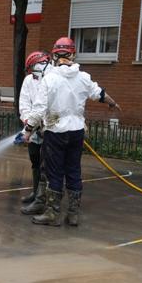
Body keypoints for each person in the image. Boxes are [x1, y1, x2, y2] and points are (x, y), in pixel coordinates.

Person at [23, 36, 120, 227]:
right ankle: (73, 214)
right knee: (74, 171)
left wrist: (27, 131)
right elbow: (99, 93)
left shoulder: (49, 79)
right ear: (73, 54)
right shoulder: (83, 78)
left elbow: (39, 110)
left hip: (56, 133)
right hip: (76, 132)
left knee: (55, 173)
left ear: (55, 56)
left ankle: (52, 214)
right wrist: (113, 103)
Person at [17, 51, 50, 215]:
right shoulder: (28, 81)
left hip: (49, 130)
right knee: (35, 162)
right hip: (32, 129)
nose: (32, 74)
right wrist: (27, 122)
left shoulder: (52, 80)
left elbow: (48, 106)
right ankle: (36, 192)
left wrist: (40, 124)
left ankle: (43, 199)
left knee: (47, 166)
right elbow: (24, 103)